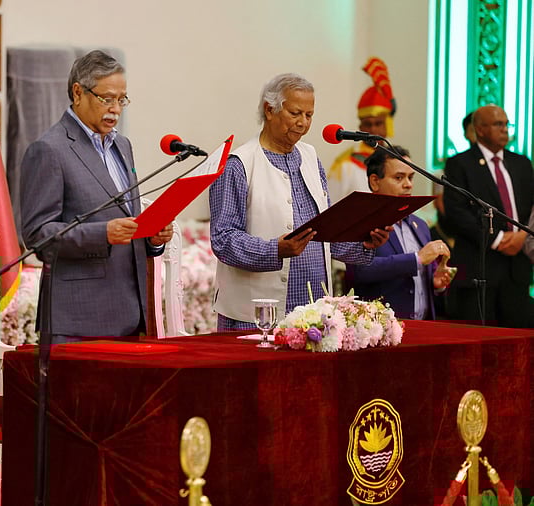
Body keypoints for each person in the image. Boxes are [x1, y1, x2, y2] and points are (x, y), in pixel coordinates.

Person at [209, 73, 390, 331]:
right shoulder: (238, 164)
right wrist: (275, 250)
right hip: (254, 316)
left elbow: (323, 234)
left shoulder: (310, 156)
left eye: (309, 115)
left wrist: (364, 242)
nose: (303, 123)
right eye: (295, 113)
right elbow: (223, 239)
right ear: (269, 110)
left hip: (312, 313)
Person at [19, 50, 173, 340]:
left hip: (130, 312)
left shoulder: (122, 146)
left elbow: (127, 219)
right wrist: (102, 233)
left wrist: (152, 238)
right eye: (107, 98)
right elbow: (38, 235)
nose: (115, 109)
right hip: (79, 320)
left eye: (122, 99)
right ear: (78, 92)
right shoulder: (49, 149)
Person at [442, 104, 534, 327]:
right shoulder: (460, 164)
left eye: (506, 124)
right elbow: (456, 212)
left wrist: (522, 235)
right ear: (480, 130)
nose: (505, 129)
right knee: (481, 341)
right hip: (479, 266)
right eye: (498, 124)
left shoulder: (522, 163)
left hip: (517, 268)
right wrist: (499, 239)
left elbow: (531, 205)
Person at [346, 146, 455, 319]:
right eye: (399, 178)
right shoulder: (358, 221)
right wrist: (417, 259)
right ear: (375, 181)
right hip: (381, 330)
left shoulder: (420, 225)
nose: (408, 184)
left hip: (423, 328)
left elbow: (419, 281)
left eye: (411, 177)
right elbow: (359, 272)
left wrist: (434, 283)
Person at [326, 57, 396, 205]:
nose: (373, 129)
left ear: (388, 124)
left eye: (378, 123)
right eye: (368, 124)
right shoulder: (346, 166)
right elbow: (329, 206)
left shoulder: (396, 159)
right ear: (360, 128)